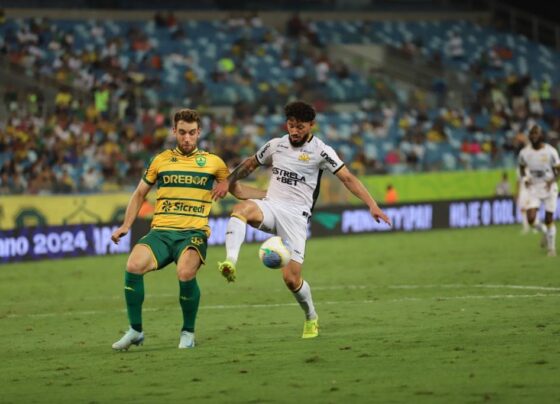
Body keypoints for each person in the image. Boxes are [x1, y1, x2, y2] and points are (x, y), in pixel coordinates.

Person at [217, 101, 391, 339]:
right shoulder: (275, 145)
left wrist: (372, 205)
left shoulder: (321, 151)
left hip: (296, 218)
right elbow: (249, 164)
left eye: (300, 127)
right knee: (240, 209)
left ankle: (311, 317)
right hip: (271, 206)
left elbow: (348, 179)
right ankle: (230, 262)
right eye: (291, 125)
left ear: (311, 125)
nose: (295, 131)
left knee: (291, 279)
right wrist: (228, 181)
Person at [110, 108, 264, 351]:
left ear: (199, 133)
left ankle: (188, 332)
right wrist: (126, 225)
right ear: (174, 131)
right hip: (160, 232)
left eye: (192, 133)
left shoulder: (214, 163)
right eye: (182, 132)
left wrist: (271, 195)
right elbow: (140, 193)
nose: (187, 138)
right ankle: (135, 331)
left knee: (184, 273)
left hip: (193, 234)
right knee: (133, 265)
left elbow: (240, 191)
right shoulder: (160, 160)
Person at [518, 125, 560, 256]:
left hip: (549, 188)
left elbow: (558, 170)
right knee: (530, 218)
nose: (534, 136)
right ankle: (545, 232)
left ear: (542, 136)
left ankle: (551, 249)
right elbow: (521, 166)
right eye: (532, 134)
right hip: (534, 188)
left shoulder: (551, 152)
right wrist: (525, 178)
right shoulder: (524, 153)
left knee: (549, 218)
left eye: (536, 133)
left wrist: (552, 181)